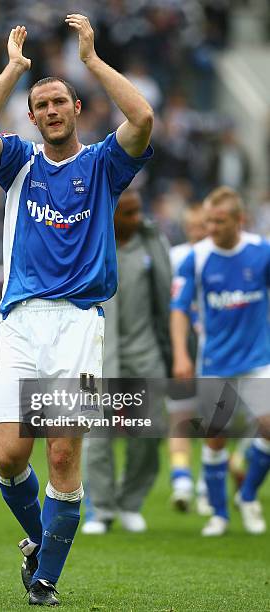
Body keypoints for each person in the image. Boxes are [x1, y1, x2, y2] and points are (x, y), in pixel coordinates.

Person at [0, 14, 153, 606]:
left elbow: (143, 119)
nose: (49, 110)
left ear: (77, 107)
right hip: (20, 321)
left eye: (58, 102)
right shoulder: (18, 161)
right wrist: (13, 69)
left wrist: (93, 61)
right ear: (32, 115)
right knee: (8, 455)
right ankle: (42, 545)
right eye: (40, 104)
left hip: (77, 323)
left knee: (64, 454)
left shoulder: (102, 165)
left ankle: (45, 582)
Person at [171, 186, 270, 537]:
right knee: (215, 439)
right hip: (215, 361)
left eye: (219, 221)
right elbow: (179, 309)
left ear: (239, 220)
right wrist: (182, 353)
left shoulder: (262, 253)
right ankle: (219, 515)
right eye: (208, 220)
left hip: (258, 358)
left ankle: (246, 495)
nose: (211, 227)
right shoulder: (195, 258)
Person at [81, 188, 171, 535]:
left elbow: (165, 300)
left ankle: (130, 502)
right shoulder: (90, 244)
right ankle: (101, 510)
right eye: (128, 213)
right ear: (111, 214)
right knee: (97, 436)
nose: (136, 219)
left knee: (147, 435)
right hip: (97, 353)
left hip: (145, 351)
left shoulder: (151, 244)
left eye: (138, 212)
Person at [167, 202, 209, 513]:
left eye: (203, 226)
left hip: (215, 346)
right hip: (185, 343)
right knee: (180, 415)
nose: (198, 233)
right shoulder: (177, 256)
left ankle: (208, 484)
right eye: (193, 227)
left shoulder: (218, 255)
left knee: (213, 418)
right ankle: (181, 479)